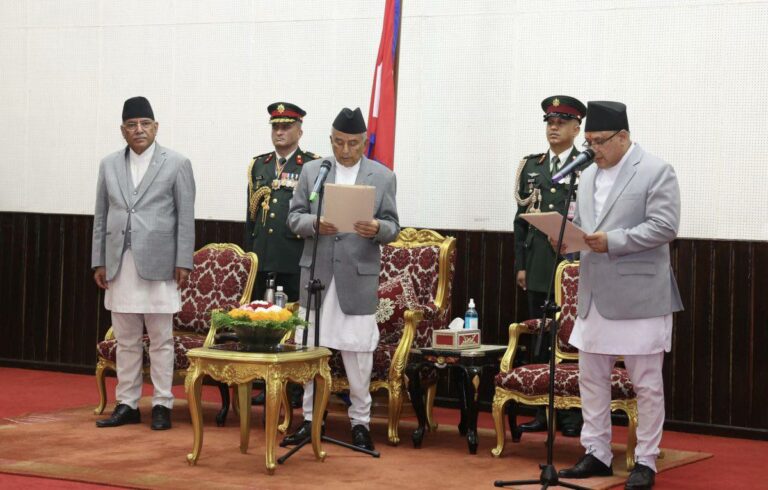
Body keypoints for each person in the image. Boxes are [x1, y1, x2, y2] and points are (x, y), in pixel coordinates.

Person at [557, 101, 683, 490]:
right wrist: (565, 237)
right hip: (594, 295)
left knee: (646, 383)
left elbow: (665, 227)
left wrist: (613, 241)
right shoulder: (587, 177)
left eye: (599, 141)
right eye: (589, 142)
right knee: (592, 378)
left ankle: (645, 460)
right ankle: (596, 452)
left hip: (640, 295)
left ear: (623, 137)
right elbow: (585, 226)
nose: (592, 149)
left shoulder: (656, 170)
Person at [281, 107, 400, 451]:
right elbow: (294, 218)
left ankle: (360, 423)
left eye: (352, 143)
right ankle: (309, 420)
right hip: (317, 276)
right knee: (310, 350)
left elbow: (393, 227)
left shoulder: (382, 176)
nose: (345, 150)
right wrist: (314, 224)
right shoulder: (313, 171)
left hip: (357, 278)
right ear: (330, 140)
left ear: (365, 141)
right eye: (338, 142)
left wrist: (377, 228)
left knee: (358, 354)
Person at [92, 96, 196, 430]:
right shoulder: (109, 164)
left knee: (161, 339)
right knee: (126, 339)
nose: (139, 130)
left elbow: (186, 217)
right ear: (123, 130)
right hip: (119, 263)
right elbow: (101, 215)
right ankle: (127, 404)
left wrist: (183, 260)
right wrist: (98, 260)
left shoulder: (177, 163)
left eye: (145, 124)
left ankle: (163, 403)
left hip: (160, 264)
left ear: (156, 127)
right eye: (132, 125)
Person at [513, 95, 586, 437]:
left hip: (574, 265)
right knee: (540, 337)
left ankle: (572, 414)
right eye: (550, 123)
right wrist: (521, 266)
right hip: (539, 263)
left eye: (561, 123)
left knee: (571, 340)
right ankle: (542, 410)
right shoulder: (532, 166)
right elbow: (520, 222)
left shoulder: (587, 166)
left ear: (576, 128)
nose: (553, 128)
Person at [246, 102, 319, 407]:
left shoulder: (311, 166)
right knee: (265, 320)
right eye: (275, 127)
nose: (279, 132)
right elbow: (251, 218)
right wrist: (250, 258)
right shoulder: (259, 165)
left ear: (299, 130)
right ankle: (267, 379)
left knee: (294, 323)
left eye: (286, 127)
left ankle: (294, 385)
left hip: (294, 256)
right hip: (264, 256)